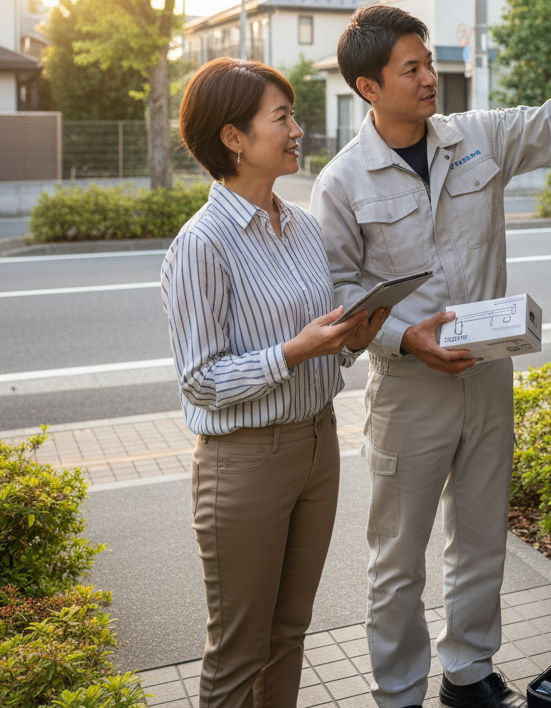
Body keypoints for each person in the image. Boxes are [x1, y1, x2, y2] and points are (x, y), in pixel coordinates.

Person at [311, 5, 551, 708]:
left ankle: (468, 673)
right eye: (413, 68)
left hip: (487, 374)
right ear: (369, 88)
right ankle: (398, 693)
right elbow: (336, 293)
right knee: (398, 557)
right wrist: (407, 336)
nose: (432, 78)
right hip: (407, 390)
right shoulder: (341, 183)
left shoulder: (475, 138)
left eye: (429, 62)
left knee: (483, 537)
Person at [161, 57, 389, 708]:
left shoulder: (303, 228)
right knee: (238, 652)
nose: (297, 130)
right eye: (281, 117)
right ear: (233, 138)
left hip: (318, 447)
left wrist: (351, 339)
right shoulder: (201, 244)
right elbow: (200, 380)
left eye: (292, 116)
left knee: (289, 634)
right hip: (244, 465)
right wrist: (293, 352)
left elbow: (320, 345)